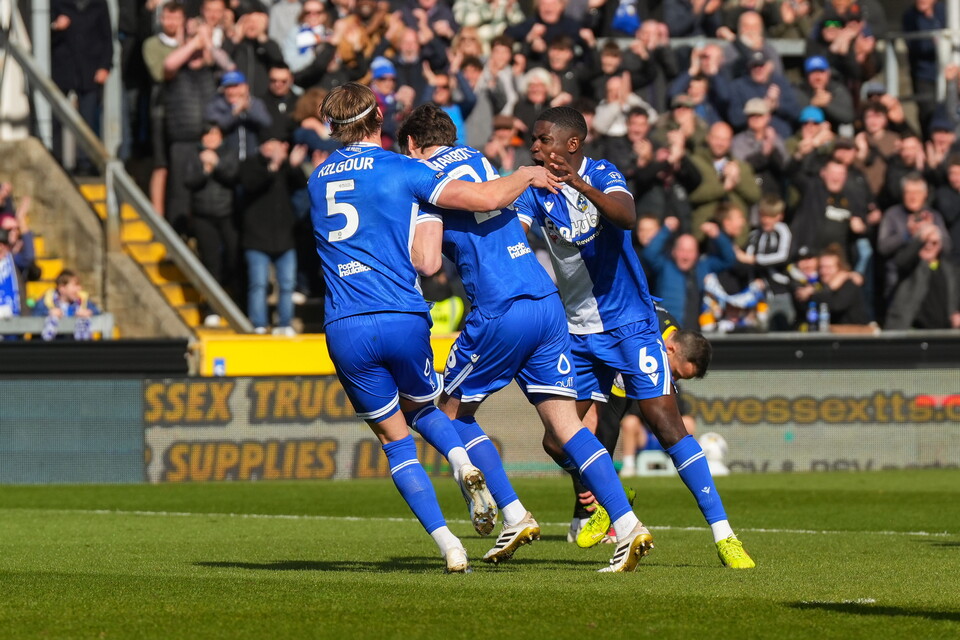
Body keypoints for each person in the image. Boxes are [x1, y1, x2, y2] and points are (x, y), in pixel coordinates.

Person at [307, 82, 559, 573]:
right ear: (379, 119)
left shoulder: (317, 180)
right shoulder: (407, 169)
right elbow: (481, 200)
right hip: (401, 314)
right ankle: (463, 463)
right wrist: (526, 174)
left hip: (344, 323)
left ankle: (449, 546)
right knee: (426, 409)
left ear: (333, 128)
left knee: (394, 441)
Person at [399, 103, 654, 570]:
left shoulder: (420, 182)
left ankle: (513, 513)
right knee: (568, 427)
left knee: (449, 414)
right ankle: (629, 525)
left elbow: (429, 262)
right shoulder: (477, 159)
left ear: (412, 145)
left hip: (500, 308)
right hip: (546, 300)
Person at [514, 106, 755, 569]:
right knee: (556, 441)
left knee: (668, 426)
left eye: (543, 139)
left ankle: (725, 536)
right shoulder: (535, 188)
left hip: (630, 325)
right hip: (577, 330)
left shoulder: (603, 173)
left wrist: (578, 186)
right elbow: (518, 236)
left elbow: (625, 216)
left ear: (571, 144)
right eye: (533, 139)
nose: (535, 146)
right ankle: (603, 502)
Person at [240, 137, 306, 335]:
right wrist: (273, 166)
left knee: (287, 284)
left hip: (284, 238)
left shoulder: (287, 167)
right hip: (256, 238)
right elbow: (250, 185)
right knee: (258, 283)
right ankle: (259, 324)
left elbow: (301, 184)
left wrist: (293, 165)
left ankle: (285, 324)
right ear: (265, 146)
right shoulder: (250, 165)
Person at [33, 269, 102, 341]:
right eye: (75, 285)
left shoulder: (82, 301)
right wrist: (48, 313)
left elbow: (98, 312)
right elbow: (32, 316)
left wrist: (89, 312)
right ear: (62, 288)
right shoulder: (46, 301)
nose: (79, 288)